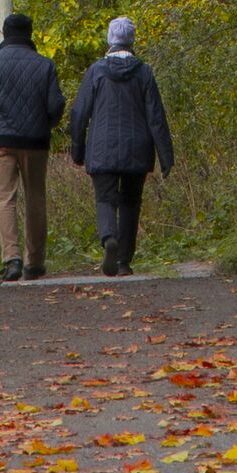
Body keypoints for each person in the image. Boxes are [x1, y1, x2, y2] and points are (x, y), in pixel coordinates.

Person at [67, 15, 176, 278]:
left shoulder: (96, 71)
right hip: (137, 147)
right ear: (132, 40)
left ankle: (109, 238)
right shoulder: (144, 72)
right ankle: (124, 261)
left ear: (110, 40)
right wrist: (166, 156)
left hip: (102, 147)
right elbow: (156, 116)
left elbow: (80, 113)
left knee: (105, 198)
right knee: (130, 202)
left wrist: (77, 149)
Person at [0, 8, 65, 282]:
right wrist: (46, 124)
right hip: (36, 142)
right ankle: (35, 262)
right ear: (29, 34)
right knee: (36, 198)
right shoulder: (45, 65)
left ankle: (12, 259)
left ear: (5, 34)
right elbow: (56, 104)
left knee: (4, 199)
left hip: (0, 142)